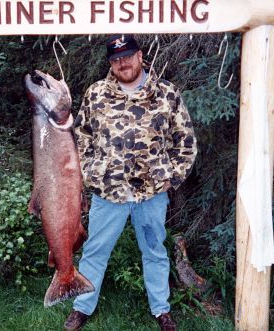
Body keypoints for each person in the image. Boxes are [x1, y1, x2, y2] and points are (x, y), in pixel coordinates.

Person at [64, 34, 197, 331]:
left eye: (127, 56)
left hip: (152, 194)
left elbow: (185, 142)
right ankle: (82, 307)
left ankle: (161, 311)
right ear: (111, 63)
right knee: (95, 251)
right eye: (115, 59)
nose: (122, 63)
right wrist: (90, 173)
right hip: (107, 194)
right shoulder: (96, 93)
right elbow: (81, 138)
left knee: (154, 251)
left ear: (140, 56)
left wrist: (171, 178)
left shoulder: (166, 94)